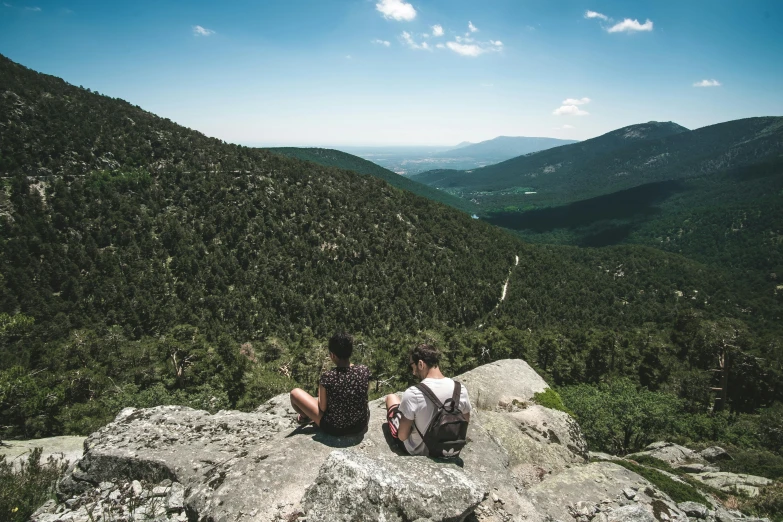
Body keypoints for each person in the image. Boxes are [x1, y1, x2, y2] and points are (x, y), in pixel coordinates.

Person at [385, 344, 471, 456]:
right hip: (449, 449)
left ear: (420, 364)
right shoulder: (460, 389)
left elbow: (402, 436)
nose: (413, 372)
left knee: (391, 398)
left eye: (412, 366)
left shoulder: (413, 393)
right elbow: (465, 422)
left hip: (417, 451)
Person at [289, 332, 370, 436]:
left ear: (332, 355)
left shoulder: (328, 377)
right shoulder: (364, 371)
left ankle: (306, 417)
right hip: (360, 425)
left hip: (334, 428)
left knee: (294, 393)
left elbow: (322, 408)